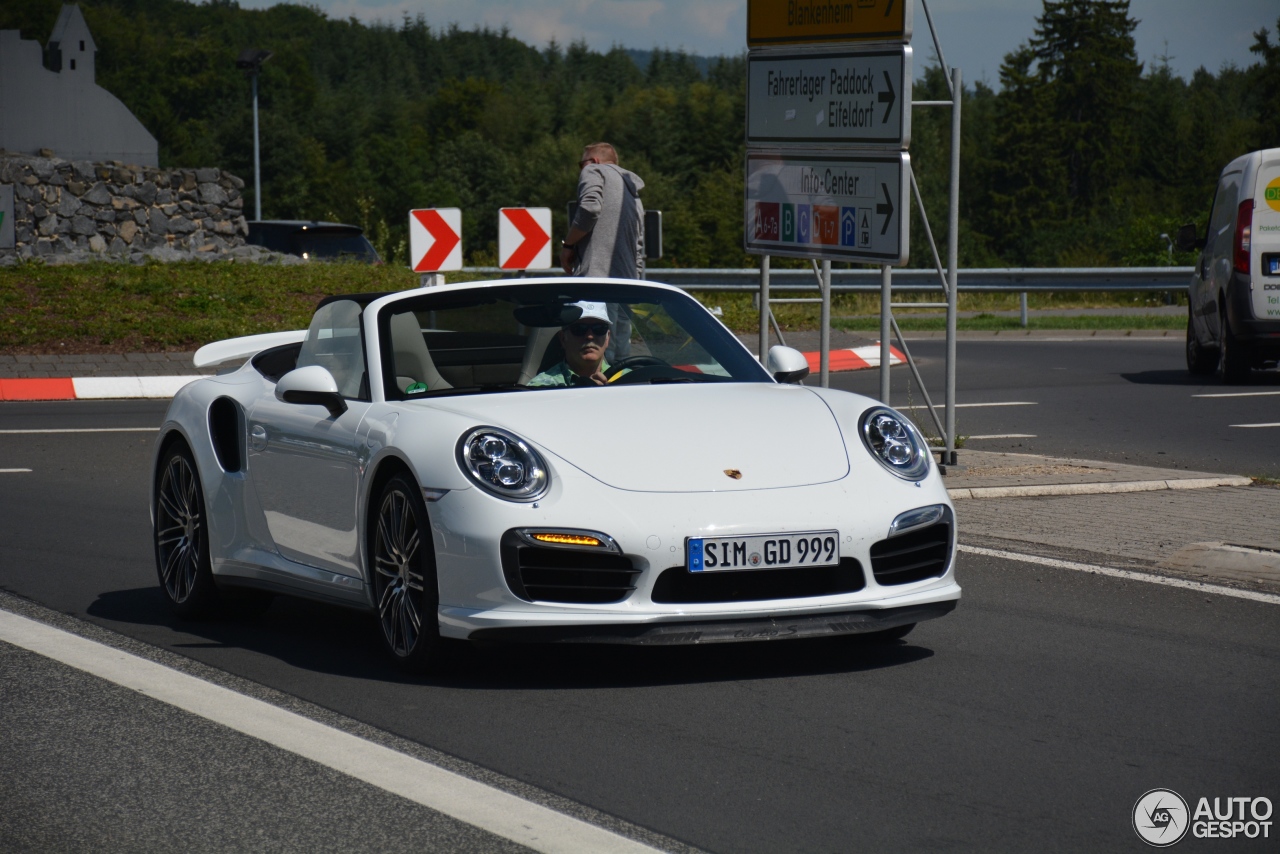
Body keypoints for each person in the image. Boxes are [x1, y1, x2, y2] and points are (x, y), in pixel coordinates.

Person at [560, 143, 643, 361]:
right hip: (627, 285)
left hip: (595, 282)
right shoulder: (632, 188)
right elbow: (639, 245)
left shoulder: (593, 171)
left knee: (591, 354)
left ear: (594, 161)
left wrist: (568, 245)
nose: (581, 169)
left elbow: (589, 208)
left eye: (581, 163)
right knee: (620, 356)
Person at [527, 302, 617, 387]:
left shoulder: (626, 378)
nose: (590, 336)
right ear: (563, 339)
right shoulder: (541, 387)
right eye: (579, 329)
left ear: (607, 338)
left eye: (599, 328)